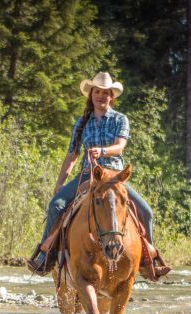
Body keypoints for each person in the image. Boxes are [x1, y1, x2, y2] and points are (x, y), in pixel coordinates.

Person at [27, 72, 169, 279]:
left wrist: (101, 151)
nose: (101, 96)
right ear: (91, 95)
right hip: (88, 176)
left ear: (112, 96)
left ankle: (149, 262)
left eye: (105, 92)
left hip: (114, 177)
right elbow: (72, 154)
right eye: (97, 92)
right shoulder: (82, 123)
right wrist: (60, 183)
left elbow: (120, 147)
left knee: (146, 212)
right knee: (55, 205)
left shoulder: (121, 119)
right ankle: (45, 255)